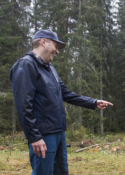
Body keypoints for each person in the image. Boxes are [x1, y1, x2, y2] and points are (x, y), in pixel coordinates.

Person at [10, 29, 113, 175]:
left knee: (61, 172)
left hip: (59, 132)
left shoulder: (50, 68)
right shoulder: (26, 65)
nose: (57, 51)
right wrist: (34, 137)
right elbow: (23, 106)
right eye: (56, 46)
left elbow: (66, 93)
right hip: (43, 136)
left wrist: (93, 102)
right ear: (43, 42)